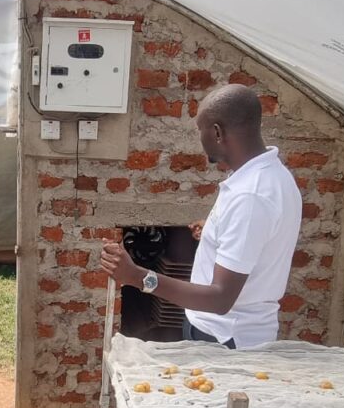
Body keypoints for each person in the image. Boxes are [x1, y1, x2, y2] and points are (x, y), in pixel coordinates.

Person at [102, 84, 302, 348]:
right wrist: (214, 232)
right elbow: (256, 239)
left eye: (200, 129)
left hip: (225, 339)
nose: (200, 138)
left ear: (217, 132)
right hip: (228, 332)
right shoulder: (272, 176)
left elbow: (220, 299)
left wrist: (137, 276)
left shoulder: (250, 196)